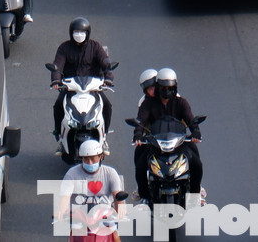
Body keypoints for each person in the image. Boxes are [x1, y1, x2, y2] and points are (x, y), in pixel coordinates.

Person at [133, 68, 202, 204]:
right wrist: (138, 134)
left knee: (197, 163)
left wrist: (196, 131)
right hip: (155, 144)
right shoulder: (147, 104)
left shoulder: (182, 102)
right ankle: (145, 195)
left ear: (175, 87)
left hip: (179, 144)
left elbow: (190, 118)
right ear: (158, 87)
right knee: (140, 164)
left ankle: (195, 194)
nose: (167, 91)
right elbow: (140, 121)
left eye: (170, 88)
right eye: (163, 88)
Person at [50, 17, 116, 147]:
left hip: (93, 88)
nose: (79, 35)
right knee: (58, 105)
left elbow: (105, 62)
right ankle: (59, 133)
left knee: (107, 105)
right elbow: (57, 65)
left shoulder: (95, 47)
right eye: (76, 32)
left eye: (82, 32)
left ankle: (104, 134)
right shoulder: (64, 48)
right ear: (71, 32)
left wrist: (108, 78)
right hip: (70, 88)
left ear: (88, 33)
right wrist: (56, 80)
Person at [59, 139, 126, 242]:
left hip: (104, 218)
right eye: (86, 159)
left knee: (116, 236)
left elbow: (117, 195)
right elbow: (65, 197)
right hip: (79, 218)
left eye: (93, 159)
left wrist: (120, 212)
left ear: (101, 157)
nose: (89, 163)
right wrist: (61, 212)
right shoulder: (72, 174)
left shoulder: (110, 173)